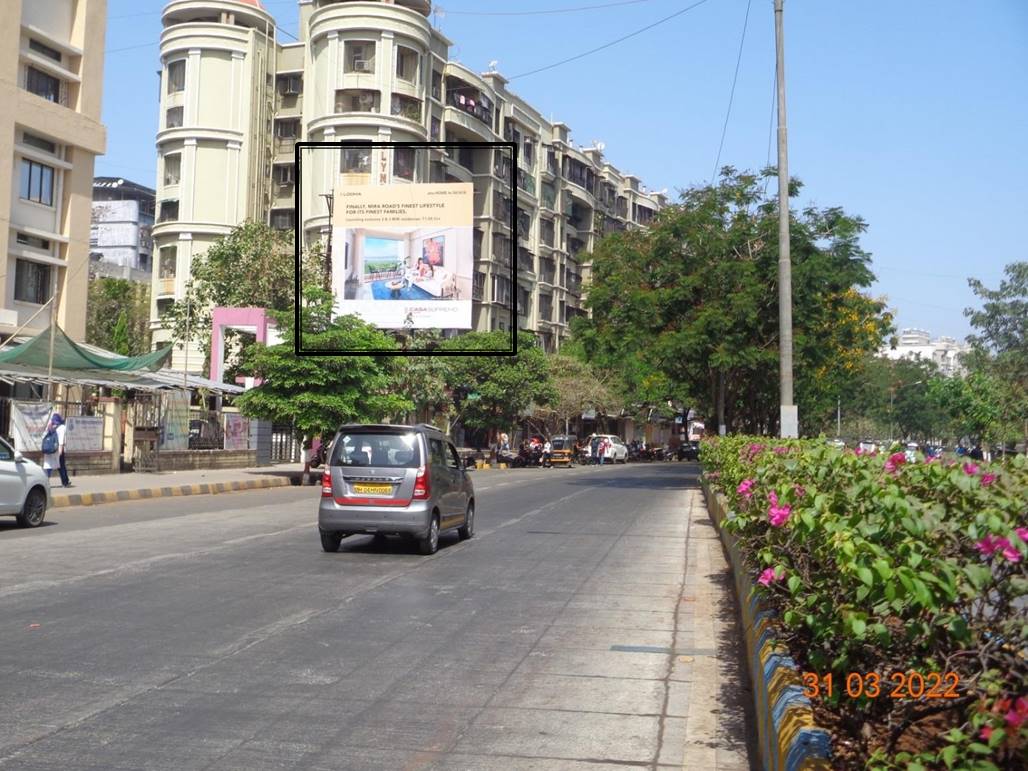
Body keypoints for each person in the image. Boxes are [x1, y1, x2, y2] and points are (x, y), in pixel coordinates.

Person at [41, 413, 71, 488]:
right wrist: (60, 451)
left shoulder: (50, 427)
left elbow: (43, 437)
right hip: (57, 450)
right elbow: (61, 440)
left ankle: (44, 483)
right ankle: (65, 482)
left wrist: (50, 424)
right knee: (61, 466)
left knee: (48, 467)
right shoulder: (62, 427)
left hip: (49, 450)